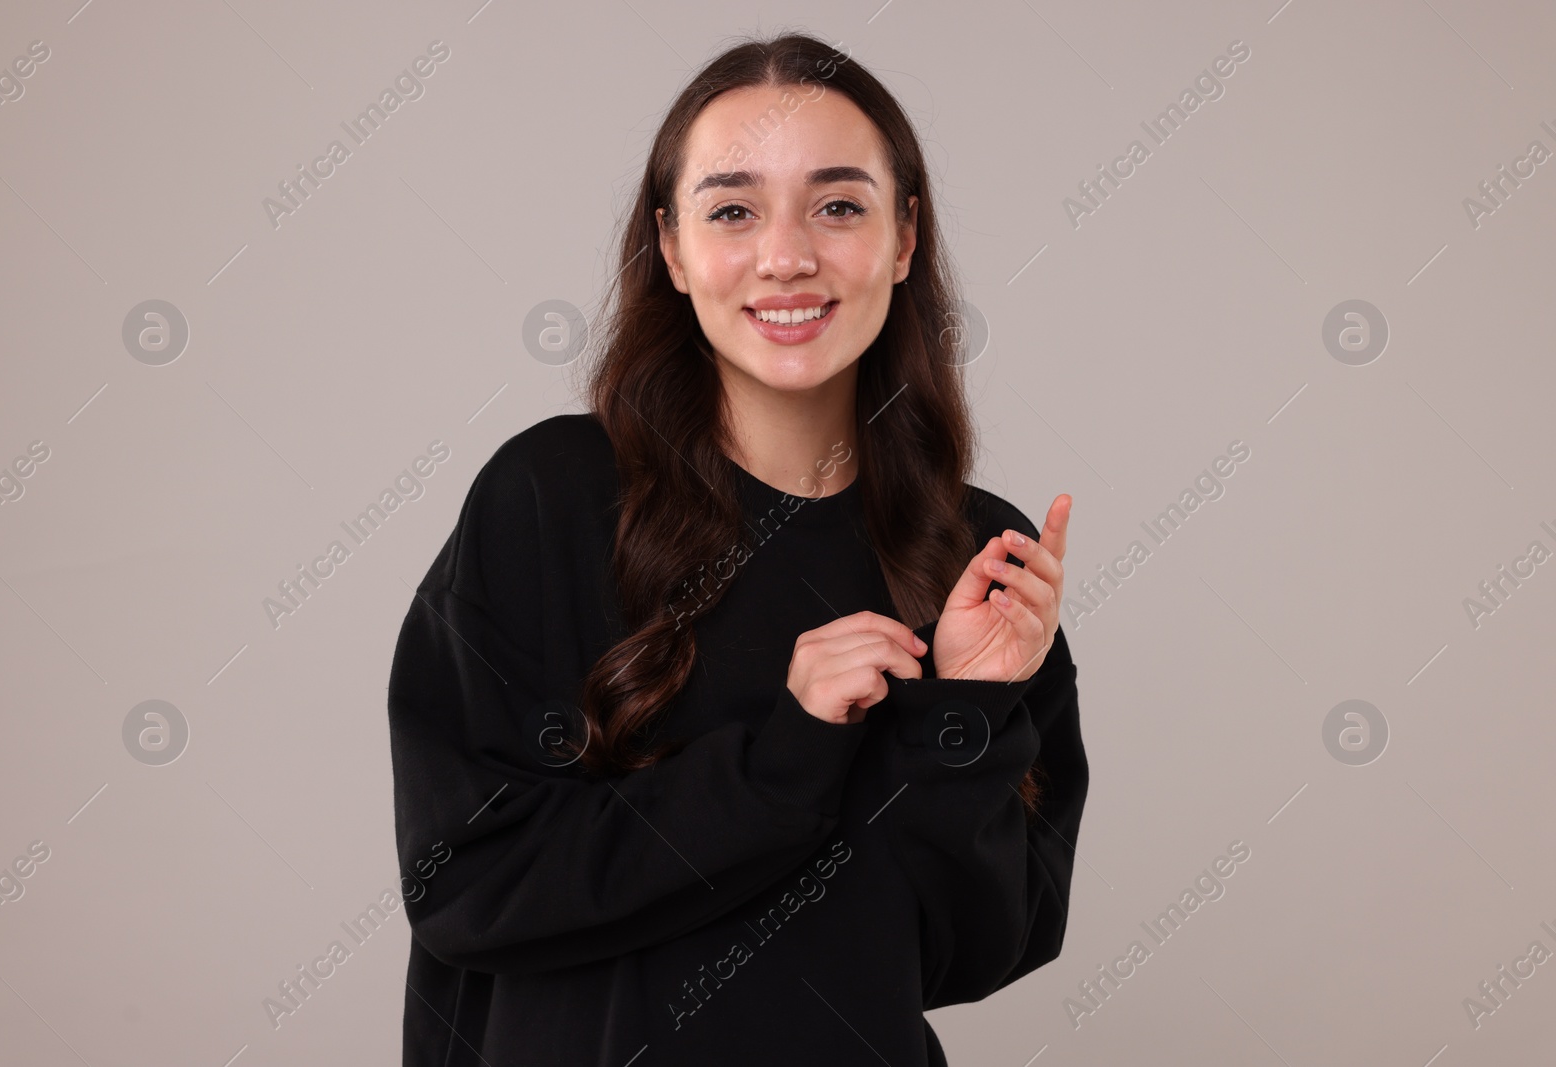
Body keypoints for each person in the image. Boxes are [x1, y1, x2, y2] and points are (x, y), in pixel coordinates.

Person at [386, 30, 1088, 1066]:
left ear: (903, 240)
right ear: (671, 248)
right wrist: (786, 750)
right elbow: (465, 882)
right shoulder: (551, 498)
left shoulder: (976, 549)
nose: (787, 254)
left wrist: (964, 716)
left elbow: (985, 948)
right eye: (732, 209)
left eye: (839, 205)